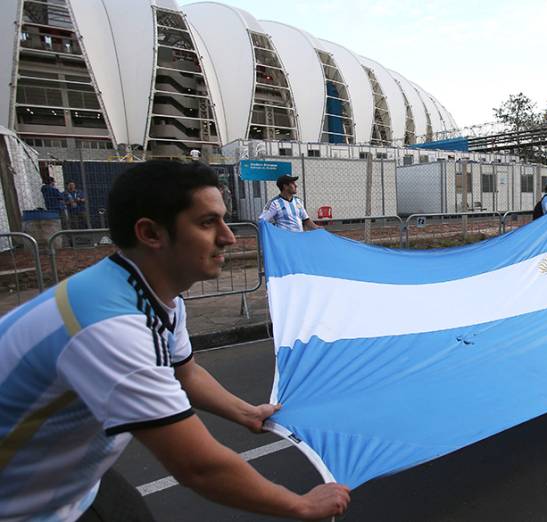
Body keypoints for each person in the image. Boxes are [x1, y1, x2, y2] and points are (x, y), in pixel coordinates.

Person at [0, 161, 350, 521]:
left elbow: (185, 373)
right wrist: (302, 505)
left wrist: (246, 413)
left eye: (224, 219)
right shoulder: (110, 328)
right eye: (207, 222)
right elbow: (197, 467)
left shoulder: (154, 292)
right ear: (151, 233)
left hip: (72, 484)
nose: (228, 236)